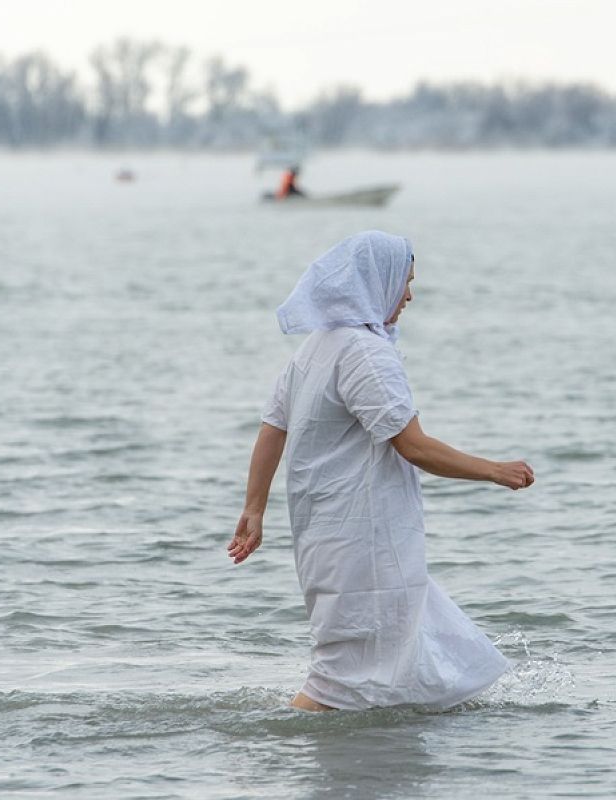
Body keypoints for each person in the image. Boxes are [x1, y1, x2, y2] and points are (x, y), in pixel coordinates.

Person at [227, 230, 535, 712]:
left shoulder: (317, 346)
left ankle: (394, 753)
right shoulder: (363, 353)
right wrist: (495, 471)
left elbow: (272, 426)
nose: (409, 295)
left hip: (329, 536)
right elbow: (412, 445)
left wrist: (254, 509)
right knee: (342, 676)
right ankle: (287, 749)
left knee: (400, 649)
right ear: (376, 281)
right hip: (365, 541)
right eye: (405, 282)